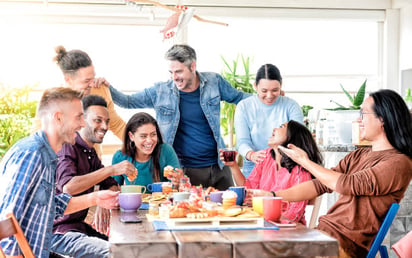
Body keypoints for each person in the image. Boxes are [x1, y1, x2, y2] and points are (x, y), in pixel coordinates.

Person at [274, 89, 412, 257]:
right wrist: (274, 195)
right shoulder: (359, 154)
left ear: (382, 119)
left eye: (363, 114)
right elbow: (320, 184)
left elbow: (347, 184)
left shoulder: (398, 163)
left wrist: (304, 161)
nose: (357, 120)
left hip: (345, 246)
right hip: (322, 235)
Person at [95, 44, 251, 190]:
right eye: (171, 72)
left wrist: (268, 96)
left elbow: (239, 97)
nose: (174, 77)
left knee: (228, 211)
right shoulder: (161, 91)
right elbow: (128, 101)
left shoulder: (214, 82)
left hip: (219, 166)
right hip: (184, 170)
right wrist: (108, 87)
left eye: (179, 71)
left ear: (193, 67)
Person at [0, 87, 119, 258]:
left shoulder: (48, 156)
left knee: (121, 251)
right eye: (79, 117)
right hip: (30, 253)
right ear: (58, 118)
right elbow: (6, 223)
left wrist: (95, 198)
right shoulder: (32, 154)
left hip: (43, 250)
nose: (83, 124)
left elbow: (50, 206)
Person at [51, 95, 137, 258]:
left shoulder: (90, 152)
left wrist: (103, 204)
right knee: (118, 253)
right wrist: (111, 169)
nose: (104, 126)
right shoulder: (67, 146)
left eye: (107, 121)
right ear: (82, 120)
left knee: (127, 246)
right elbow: (68, 187)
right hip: (58, 235)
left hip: (78, 228)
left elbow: (111, 184)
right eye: (98, 120)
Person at [221, 120, 322, 225]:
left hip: (288, 229)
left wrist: (262, 213)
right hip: (260, 222)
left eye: (282, 126)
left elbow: (293, 216)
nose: (275, 129)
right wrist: (233, 166)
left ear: (292, 138)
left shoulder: (301, 170)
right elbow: (249, 188)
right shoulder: (266, 156)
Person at [234, 64, 303, 178]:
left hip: (285, 166)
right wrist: (251, 155)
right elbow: (242, 142)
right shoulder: (244, 107)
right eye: (264, 91)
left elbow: (298, 138)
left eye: (275, 90)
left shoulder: (291, 106)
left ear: (281, 85)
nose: (269, 96)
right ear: (255, 86)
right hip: (254, 166)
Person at [53, 45, 126, 142]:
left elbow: (117, 126)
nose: (92, 84)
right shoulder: (52, 100)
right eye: (86, 80)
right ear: (68, 80)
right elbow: (39, 134)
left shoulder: (100, 90)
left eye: (93, 77)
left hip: (92, 156)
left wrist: (137, 143)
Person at [112, 112, 181, 191]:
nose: (149, 141)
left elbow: (176, 188)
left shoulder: (166, 151)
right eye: (143, 136)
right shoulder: (120, 157)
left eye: (153, 134)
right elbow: (114, 190)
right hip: (134, 203)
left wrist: (177, 183)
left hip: (163, 202)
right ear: (131, 136)